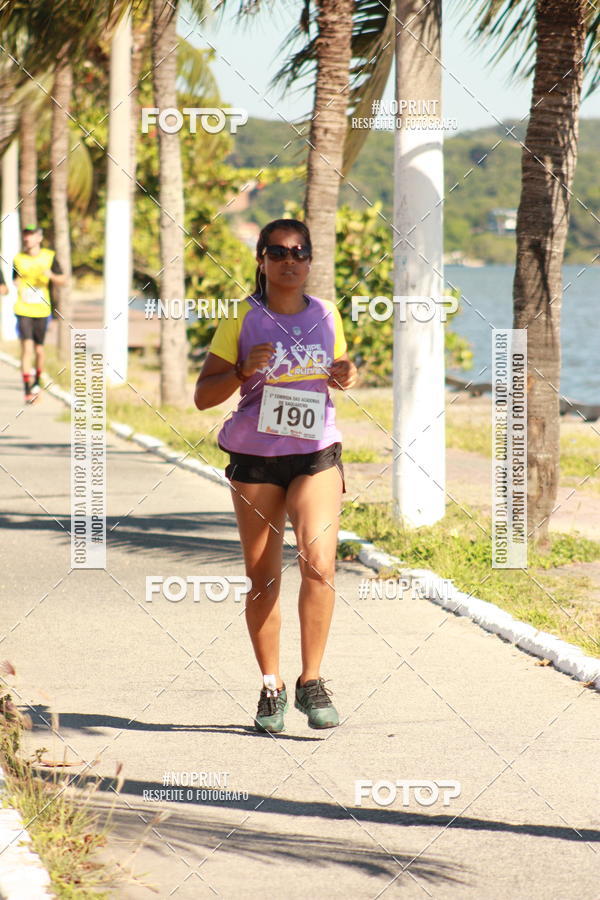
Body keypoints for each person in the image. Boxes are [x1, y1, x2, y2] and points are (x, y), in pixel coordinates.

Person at [194, 219, 357, 734]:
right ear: (261, 259)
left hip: (315, 452)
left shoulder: (327, 313)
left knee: (320, 563)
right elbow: (203, 396)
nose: (290, 261)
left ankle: (312, 681)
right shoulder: (242, 318)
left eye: (299, 252)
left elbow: (341, 369)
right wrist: (242, 371)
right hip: (256, 459)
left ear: (310, 260)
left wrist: (346, 373)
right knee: (263, 578)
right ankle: (272, 685)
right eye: (279, 252)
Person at [12, 225, 66, 403]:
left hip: (42, 310)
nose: (27, 238)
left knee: (39, 351)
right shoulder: (18, 259)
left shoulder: (49, 257)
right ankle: (27, 389)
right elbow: (14, 280)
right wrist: (16, 282)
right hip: (23, 309)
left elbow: (63, 280)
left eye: (31, 235)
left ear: (39, 238)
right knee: (27, 348)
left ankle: (37, 382)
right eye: (25, 235)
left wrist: (51, 276)